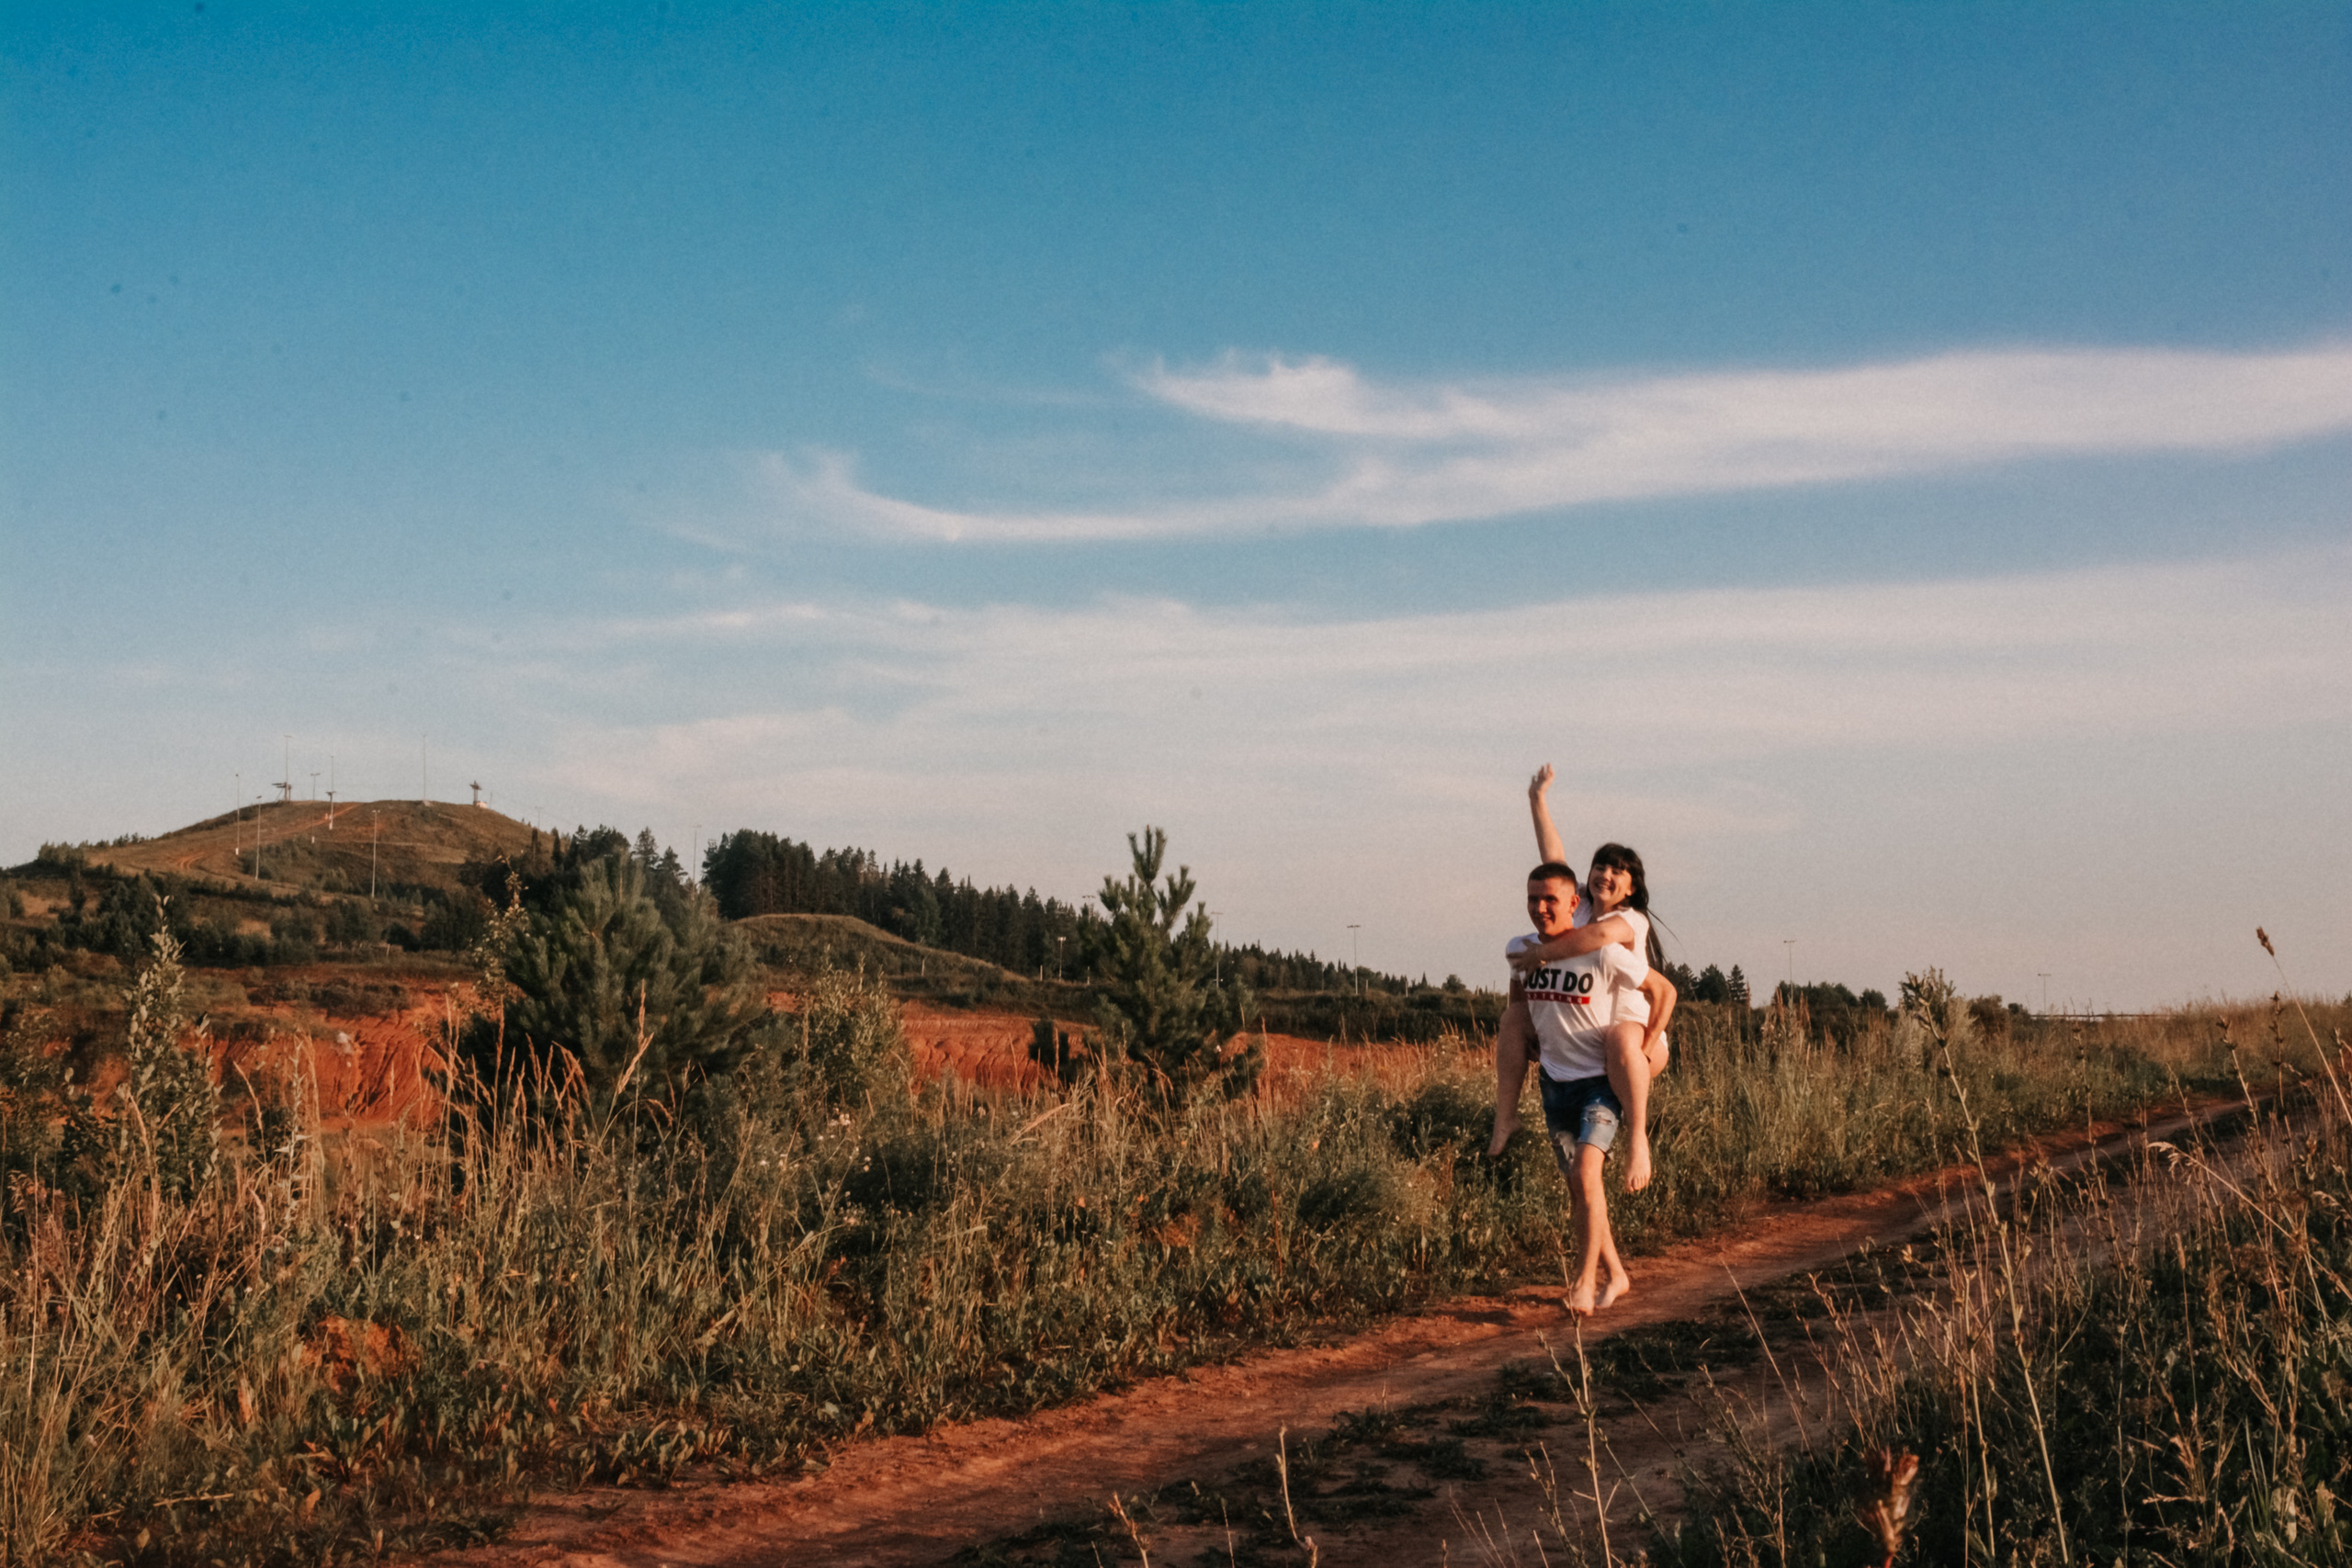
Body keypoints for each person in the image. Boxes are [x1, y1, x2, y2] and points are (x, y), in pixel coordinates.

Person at [1488, 766, 1675, 1196]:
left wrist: (1541, 953)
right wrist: (1537, 799)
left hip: (1638, 1035)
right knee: (1513, 1018)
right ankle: (1505, 1117)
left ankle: (1638, 1142)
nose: (1605, 874)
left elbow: (1597, 938)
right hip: (1592, 1038)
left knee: (1620, 1038)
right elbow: (1553, 860)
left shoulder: (1630, 920)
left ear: (1631, 888)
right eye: (1600, 866)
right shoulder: (1583, 907)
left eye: (1618, 871)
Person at [1503, 861, 1651, 1314]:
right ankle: (1617, 1274)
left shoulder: (1603, 949)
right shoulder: (1519, 950)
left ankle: (1584, 1283)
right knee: (1580, 1188)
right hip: (1554, 1088)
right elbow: (1517, 1000)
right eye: (1533, 899)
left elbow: (1662, 990)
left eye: (1550, 899)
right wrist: (1527, 1032)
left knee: (1587, 1176)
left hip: (1598, 1086)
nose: (1540, 908)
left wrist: (1645, 1049)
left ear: (1575, 903)